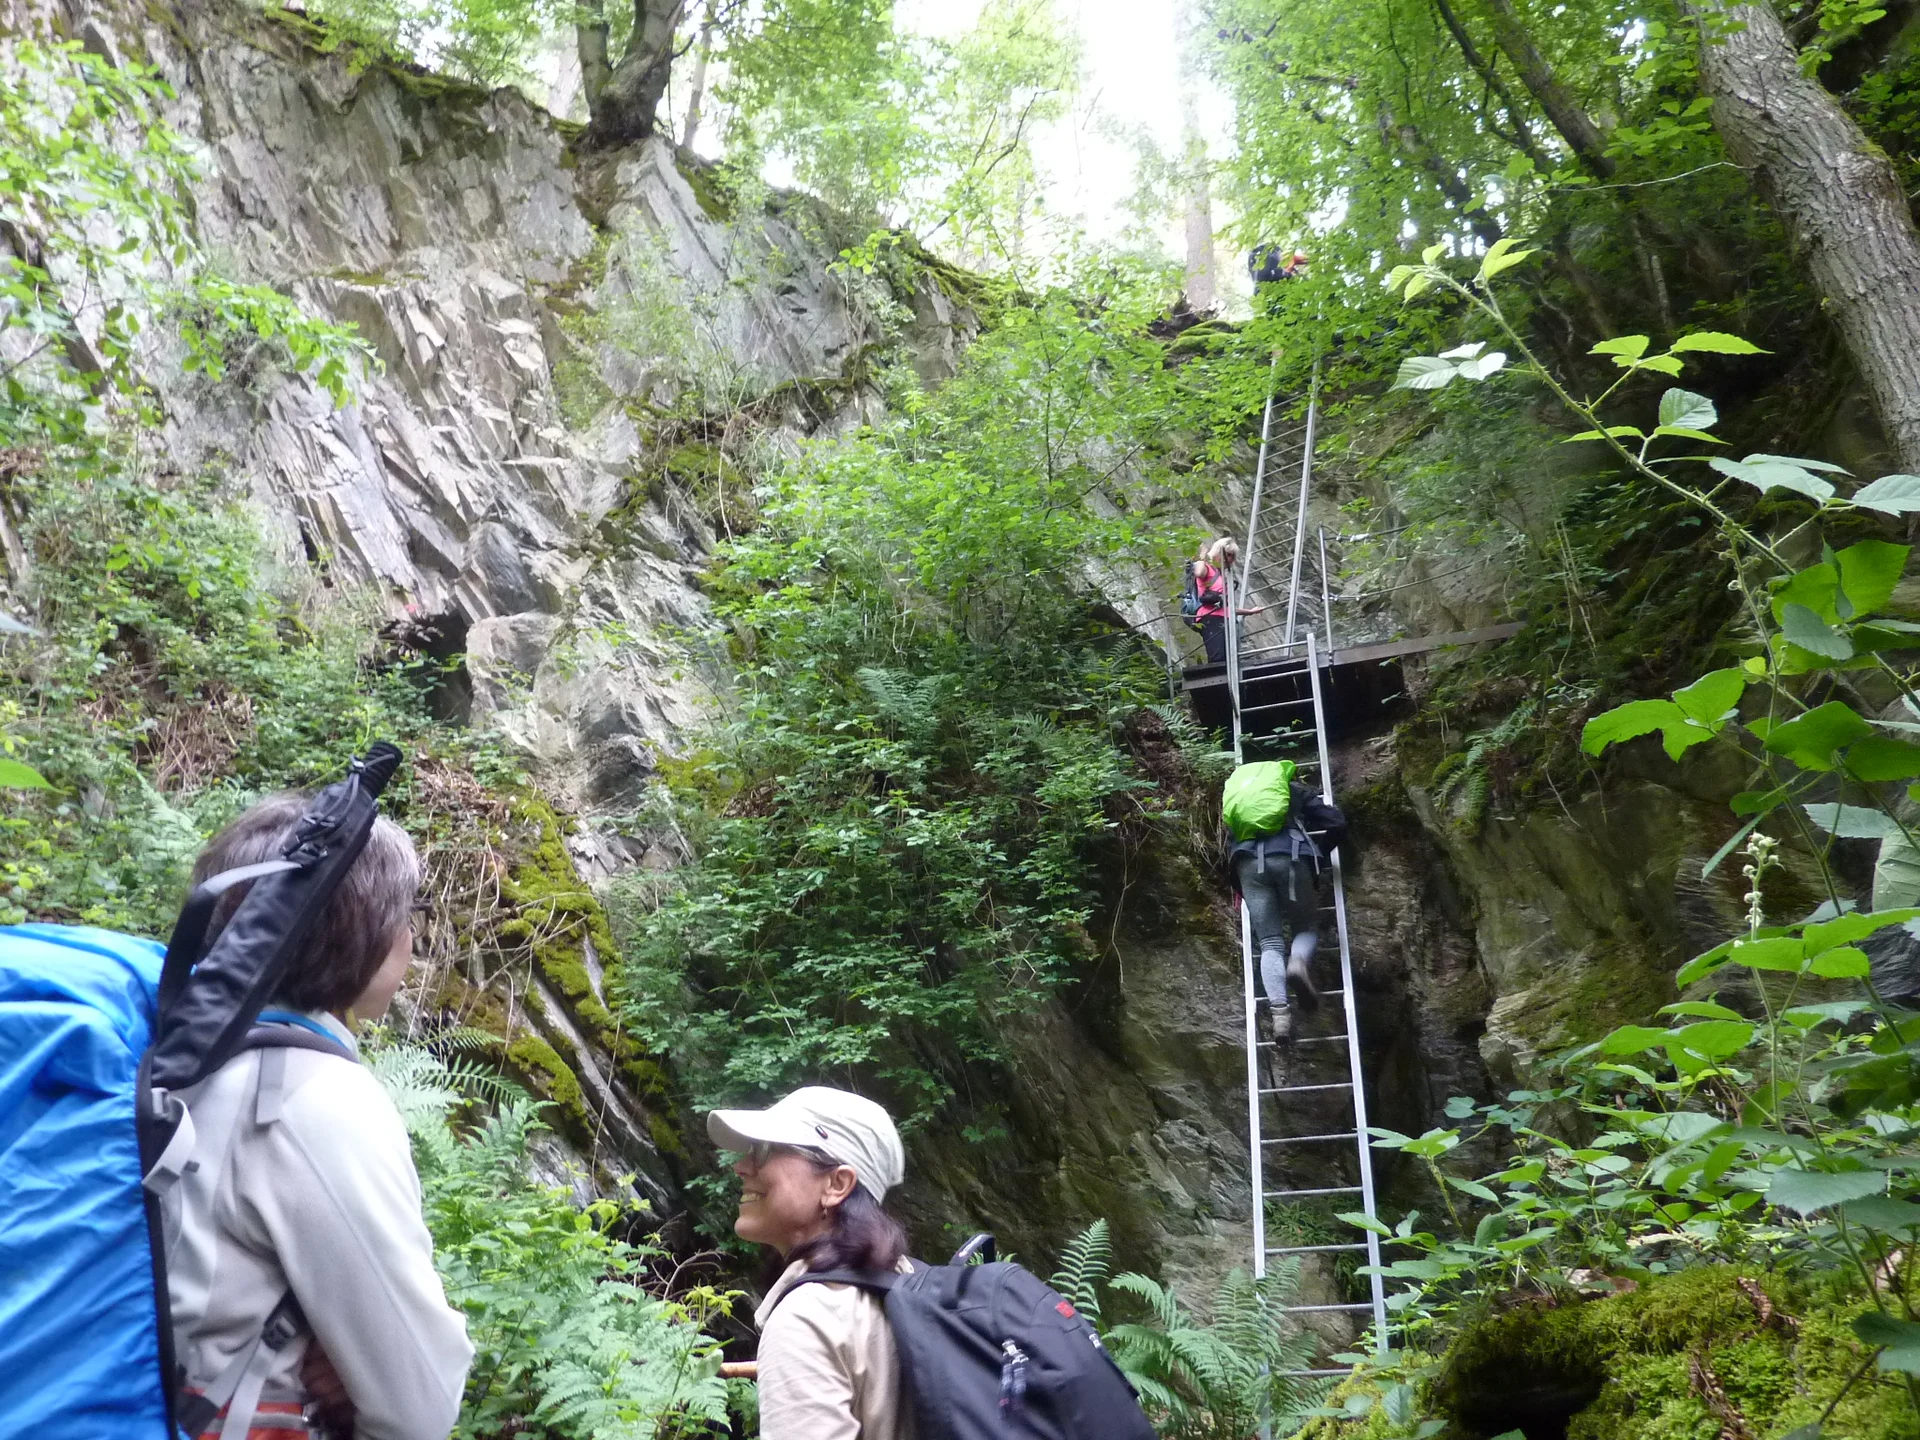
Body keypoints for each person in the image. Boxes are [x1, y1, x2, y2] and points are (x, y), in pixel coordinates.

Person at [165, 794, 474, 1440]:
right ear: (370, 933)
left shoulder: (175, 1062)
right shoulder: (315, 1099)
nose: (411, 938)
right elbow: (419, 1406)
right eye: (405, 916)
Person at [710, 1087, 912, 1440]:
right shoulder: (907, 1279)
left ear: (837, 1184)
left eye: (766, 1150)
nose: (741, 1166)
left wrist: (797, 1358)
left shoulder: (806, 1320)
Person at [1228, 776, 1345, 1042]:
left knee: (1269, 942)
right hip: (1291, 856)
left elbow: (1229, 843)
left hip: (1247, 865)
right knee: (1305, 927)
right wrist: (1319, 852)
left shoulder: (1237, 798)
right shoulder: (1289, 788)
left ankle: (1280, 1018)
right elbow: (1337, 823)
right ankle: (1297, 963)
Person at [1190, 536, 1266, 665]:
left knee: (1229, 658)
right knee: (1218, 657)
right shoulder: (1206, 567)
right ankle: (1218, 683)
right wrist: (1203, 555)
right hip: (1210, 618)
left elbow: (1227, 607)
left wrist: (1250, 612)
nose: (1230, 559)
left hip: (1224, 618)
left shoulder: (1221, 575)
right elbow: (1199, 573)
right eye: (1228, 555)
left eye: (1233, 556)